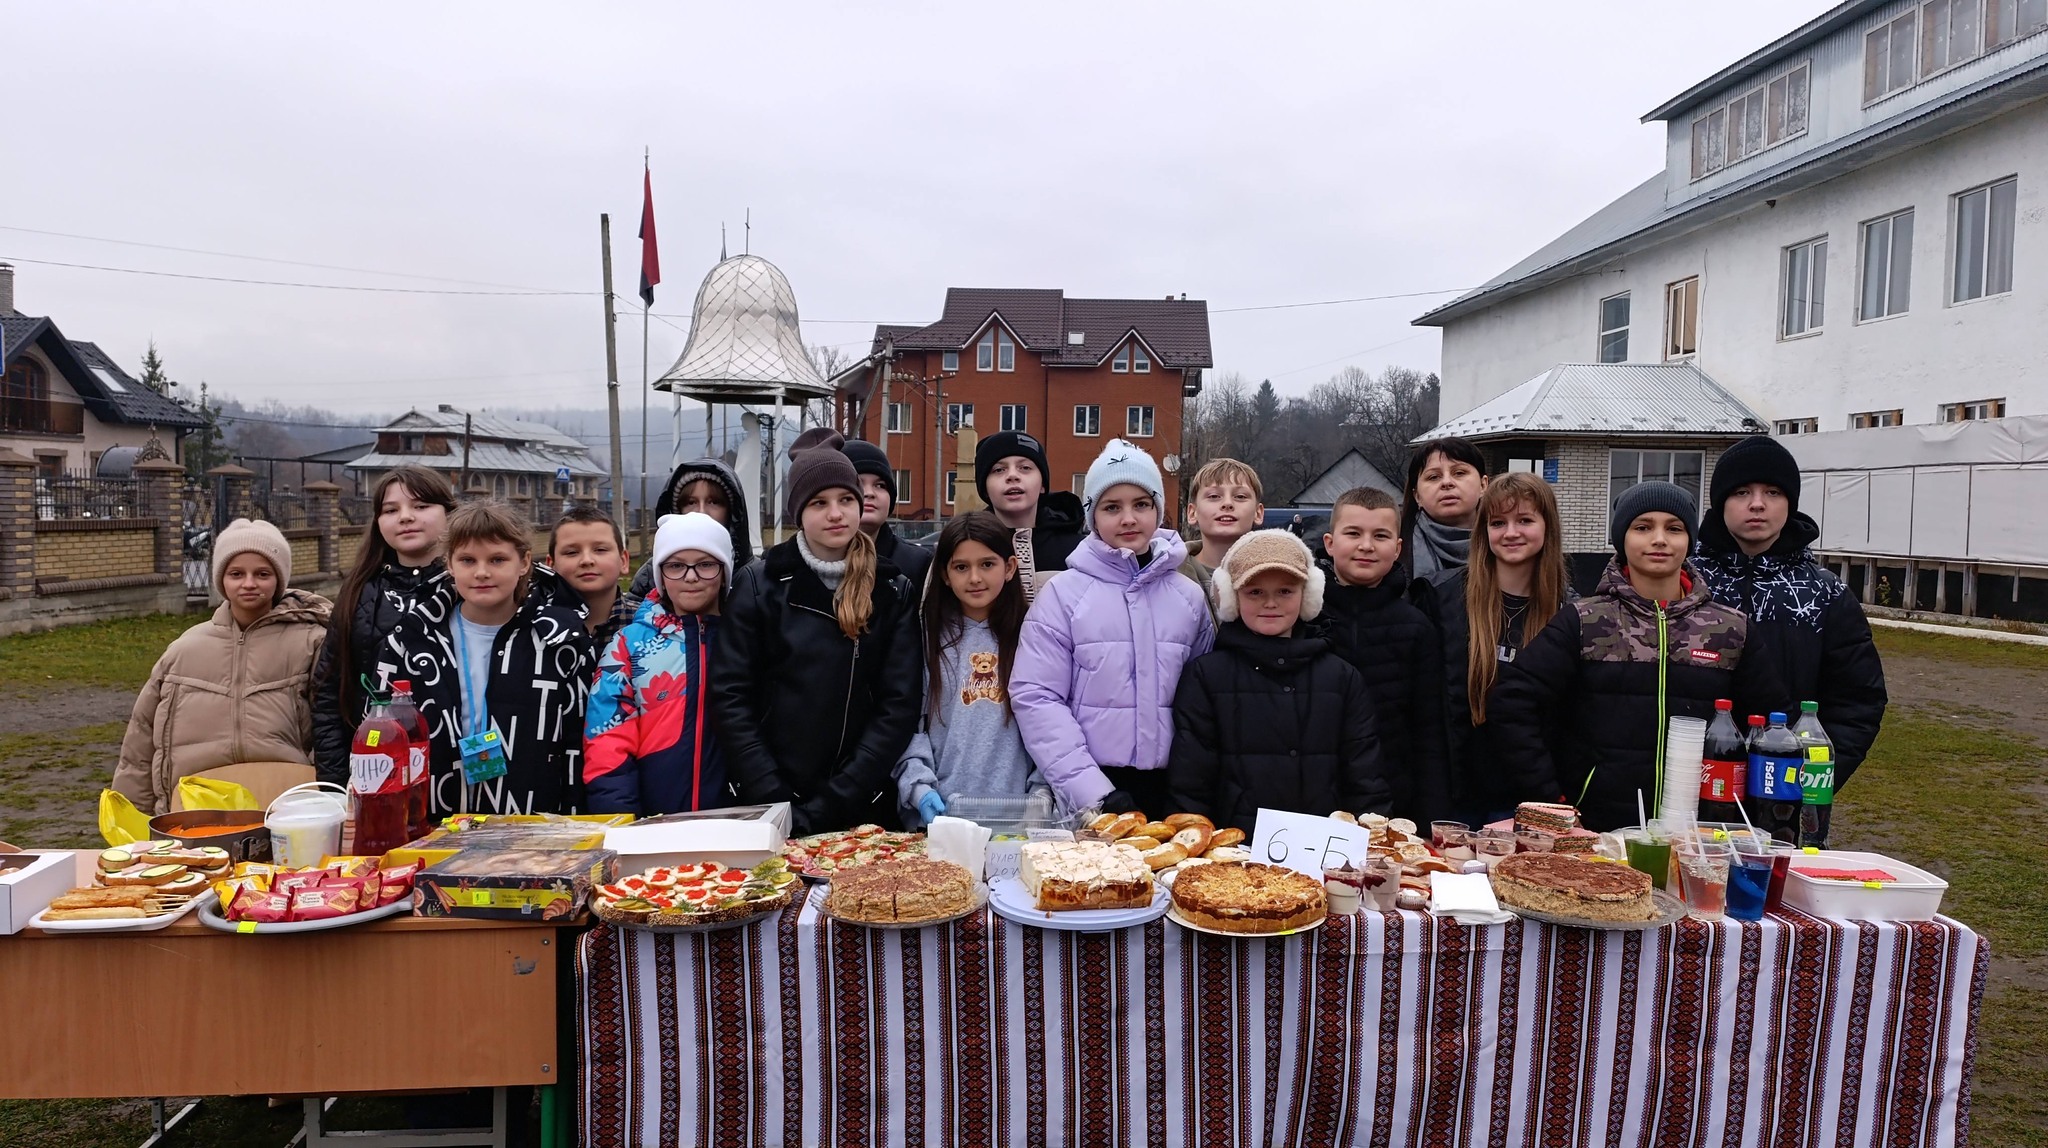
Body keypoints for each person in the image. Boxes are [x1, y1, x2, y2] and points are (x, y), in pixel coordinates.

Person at [1489, 482, 1784, 831]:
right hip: (1595, 830)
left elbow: (1770, 728)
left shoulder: (1730, 629)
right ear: (1621, 538)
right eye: (1643, 527)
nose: (1659, 539)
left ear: (1690, 540)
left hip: (1701, 836)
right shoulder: (1585, 621)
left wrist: (1742, 812)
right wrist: (1554, 802)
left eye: (1673, 528)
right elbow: (1512, 703)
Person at [710, 432, 922, 834]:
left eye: (846, 499)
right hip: (768, 803)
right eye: (819, 503)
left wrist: (838, 798)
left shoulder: (892, 590)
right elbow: (731, 696)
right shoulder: (760, 584)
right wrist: (774, 795)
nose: (835, 513)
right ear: (798, 513)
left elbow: (897, 706)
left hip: (861, 806)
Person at [1012, 438, 1214, 817]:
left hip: (1175, 791)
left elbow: (1204, 700)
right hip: (1092, 794)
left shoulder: (1189, 598)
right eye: (1111, 507)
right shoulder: (1063, 595)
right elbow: (1037, 696)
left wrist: (1193, 786)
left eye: (1141, 504)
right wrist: (1093, 792)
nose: (1128, 518)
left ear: (1158, 509)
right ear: (1092, 516)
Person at [1692, 436, 1886, 824]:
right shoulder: (1686, 582)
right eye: (1742, 491)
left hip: (1782, 807)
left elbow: (1857, 702)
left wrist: (1807, 780)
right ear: (1720, 502)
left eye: (1773, 491)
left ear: (1790, 502)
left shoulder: (1825, 593)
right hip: (1688, 791)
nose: (1757, 503)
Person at [381, 500, 594, 816]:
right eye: (467, 560)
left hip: (535, 824)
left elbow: (580, 740)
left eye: (497, 559)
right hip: (435, 824)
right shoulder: (411, 638)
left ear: (523, 563)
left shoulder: (561, 640)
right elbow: (381, 732)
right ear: (449, 565)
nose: (482, 572)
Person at [1168, 529, 1387, 833]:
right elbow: (1191, 781)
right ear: (1230, 598)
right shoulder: (1206, 676)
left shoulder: (1341, 678)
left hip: (1323, 849)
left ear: (1308, 596)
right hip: (1233, 855)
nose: (1270, 603)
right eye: (1255, 592)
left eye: (1285, 591)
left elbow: (1365, 776)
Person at [114, 519, 332, 814]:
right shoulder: (185, 650)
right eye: (236, 573)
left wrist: (331, 802)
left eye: (263, 573)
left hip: (287, 806)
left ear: (279, 579)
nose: (249, 583)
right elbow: (141, 737)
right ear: (221, 579)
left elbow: (332, 728)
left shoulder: (312, 642)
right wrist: (134, 816)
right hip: (196, 811)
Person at [1410, 473, 1572, 825]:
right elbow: (1426, 714)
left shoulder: (1570, 612)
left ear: (1548, 527)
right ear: (1484, 530)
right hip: (1456, 800)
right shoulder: (1441, 599)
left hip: (1532, 802)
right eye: (1498, 522)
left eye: (1525, 520)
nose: (1511, 532)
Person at [892, 512, 1049, 826]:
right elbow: (907, 724)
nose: (975, 577)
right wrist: (918, 788)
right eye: (961, 567)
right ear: (945, 575)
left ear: (1009, 568)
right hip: (942, 819)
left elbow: (1051, 724)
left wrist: (1043, 791)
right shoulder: (923, 637)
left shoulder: (1035, 635)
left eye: (987, 564)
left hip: (1017, 818)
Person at [310, 465, 456, 789]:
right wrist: (333, 784)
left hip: (456, 772)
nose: (405, 517)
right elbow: (328, 694)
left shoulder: (470, 590)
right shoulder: (357, 595)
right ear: (378, 522)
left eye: (420, 506)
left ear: (449, 513)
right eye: (391, 510)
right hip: (376, 770)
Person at [584, 512, 733, 816]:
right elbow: (606, 741)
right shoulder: (628, 645)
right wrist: (620, 820)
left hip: (741, 818)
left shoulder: (746, 638)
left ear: (725, 572)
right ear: (660, 573)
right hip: (652, 820)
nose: (691, 576)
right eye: (676, 565)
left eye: (705, 564)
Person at [1317, 486, 1445, 822]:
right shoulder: (1305, 617)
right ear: (1330, 544)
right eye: (1353, 533)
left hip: (1393, 798)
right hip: (1314, 794)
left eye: (1381, 535)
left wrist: (1431, 817)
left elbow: (1429, 731)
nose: (1366, 545)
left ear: (1397, 548)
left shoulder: (1416, 627)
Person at [624, 455, 755, 603]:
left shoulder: (755, 577)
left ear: (731, 511)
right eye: (691, 502)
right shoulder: (650, 575)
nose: (701, 512)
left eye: (714, 502)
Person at [974, 429, 1086, 601]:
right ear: (985, 489)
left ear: (1042, 484)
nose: (1012, 476)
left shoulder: (1079, 551)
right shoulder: (966, 546)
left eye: (1025, 468)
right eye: (998, 470)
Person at [841, 437, 934, 592]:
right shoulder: (805, 563)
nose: (869, 493)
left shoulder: (918, 563)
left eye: (880, 485)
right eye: (858, 483)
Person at [1178, 456, 1265, 610]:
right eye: (1213, 496)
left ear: (1258, 513)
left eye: (1240, 496)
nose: (1227, 503)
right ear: (1192, 513)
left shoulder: (1277, 575)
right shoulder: (1166, 575)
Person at [539, 505, 632, 646]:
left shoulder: (652, 626)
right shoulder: (532, 627)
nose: (587, 560)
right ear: (551, 565)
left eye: (600, 550)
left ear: (623, 561)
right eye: (571, 552)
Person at [1401, 436, 1487, 578]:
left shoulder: (1509, 540)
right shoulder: (1394, 547)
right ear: (1417, 496)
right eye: (1434, 477)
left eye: (1459, 473)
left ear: (1483, 485)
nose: (1447, 482)